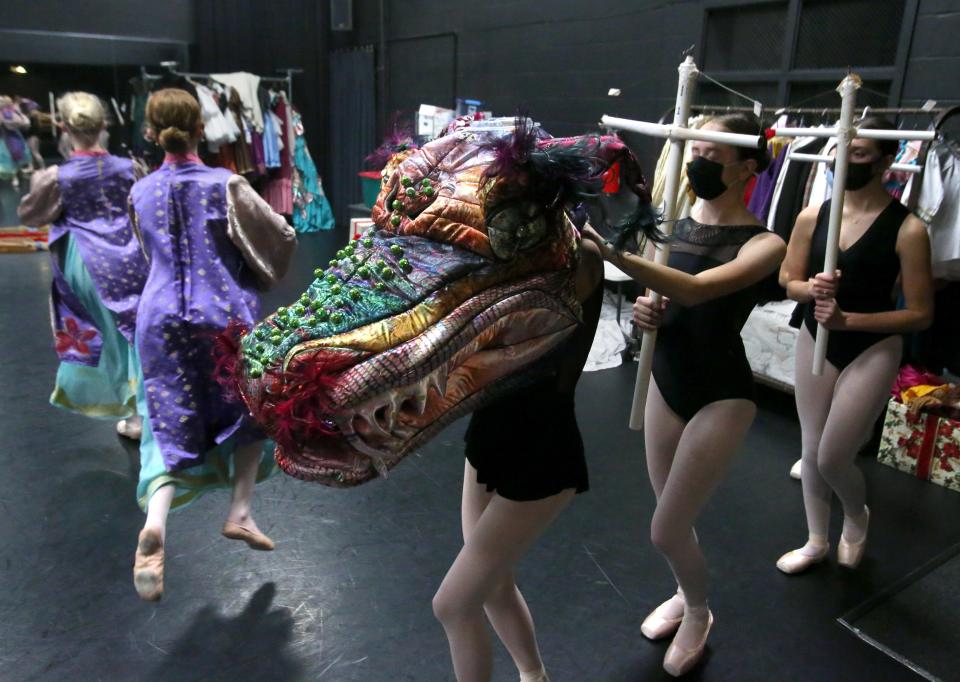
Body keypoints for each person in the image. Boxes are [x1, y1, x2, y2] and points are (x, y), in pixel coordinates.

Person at [583, 113, 786, 677]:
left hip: (721, 394)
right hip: (665, 385)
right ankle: (682, 590)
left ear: (746, 165)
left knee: (666, 528)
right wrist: (648, 310)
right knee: (673, 518)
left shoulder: (765, 243)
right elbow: (665, 300)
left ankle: (698, 611)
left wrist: (612, 254)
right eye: (693, 148)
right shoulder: (676, 220)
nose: (697, 160)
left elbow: (696, 291)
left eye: (710, 152)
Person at [128, 88, 297, 601]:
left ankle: (156, 522)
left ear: (151, 134)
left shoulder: (140, 192)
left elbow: (146, 253)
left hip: (158, 318)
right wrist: (255, 269)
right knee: (249, 408)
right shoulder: (226, 186)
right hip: (222, 315)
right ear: (202, 128)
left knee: (162, 419)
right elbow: (280, 236)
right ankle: (240, 511)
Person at [432, 235, 604, 682]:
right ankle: (534, 675)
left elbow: (510, 332)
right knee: (493, 586)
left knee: (453, 603)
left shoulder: (577, 254)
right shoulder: (495, 247)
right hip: (489, 434)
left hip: (541, 446)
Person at [775, 116, 934, 575]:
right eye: (844, 150)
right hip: (816, 336)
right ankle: (816, 539)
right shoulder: (813, 215)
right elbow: (788, 280)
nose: (847, 159)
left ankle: (858, 516)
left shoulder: (908, 230)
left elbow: (920, 313)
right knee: (810, 447)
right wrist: (811, 290)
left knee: (833, 456)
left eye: (860, 153)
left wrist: (849, 319)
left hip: (872, 346)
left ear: (886, 162)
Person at [18, 92, 145, 436]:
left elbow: (32, 215)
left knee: (106, 333)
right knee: (135, 335)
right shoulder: (128, 168)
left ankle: (135, 415)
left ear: (62, 126)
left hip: (86, 261)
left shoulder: (59, 176)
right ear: (105, 124)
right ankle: (149, 411)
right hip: (131, 259)